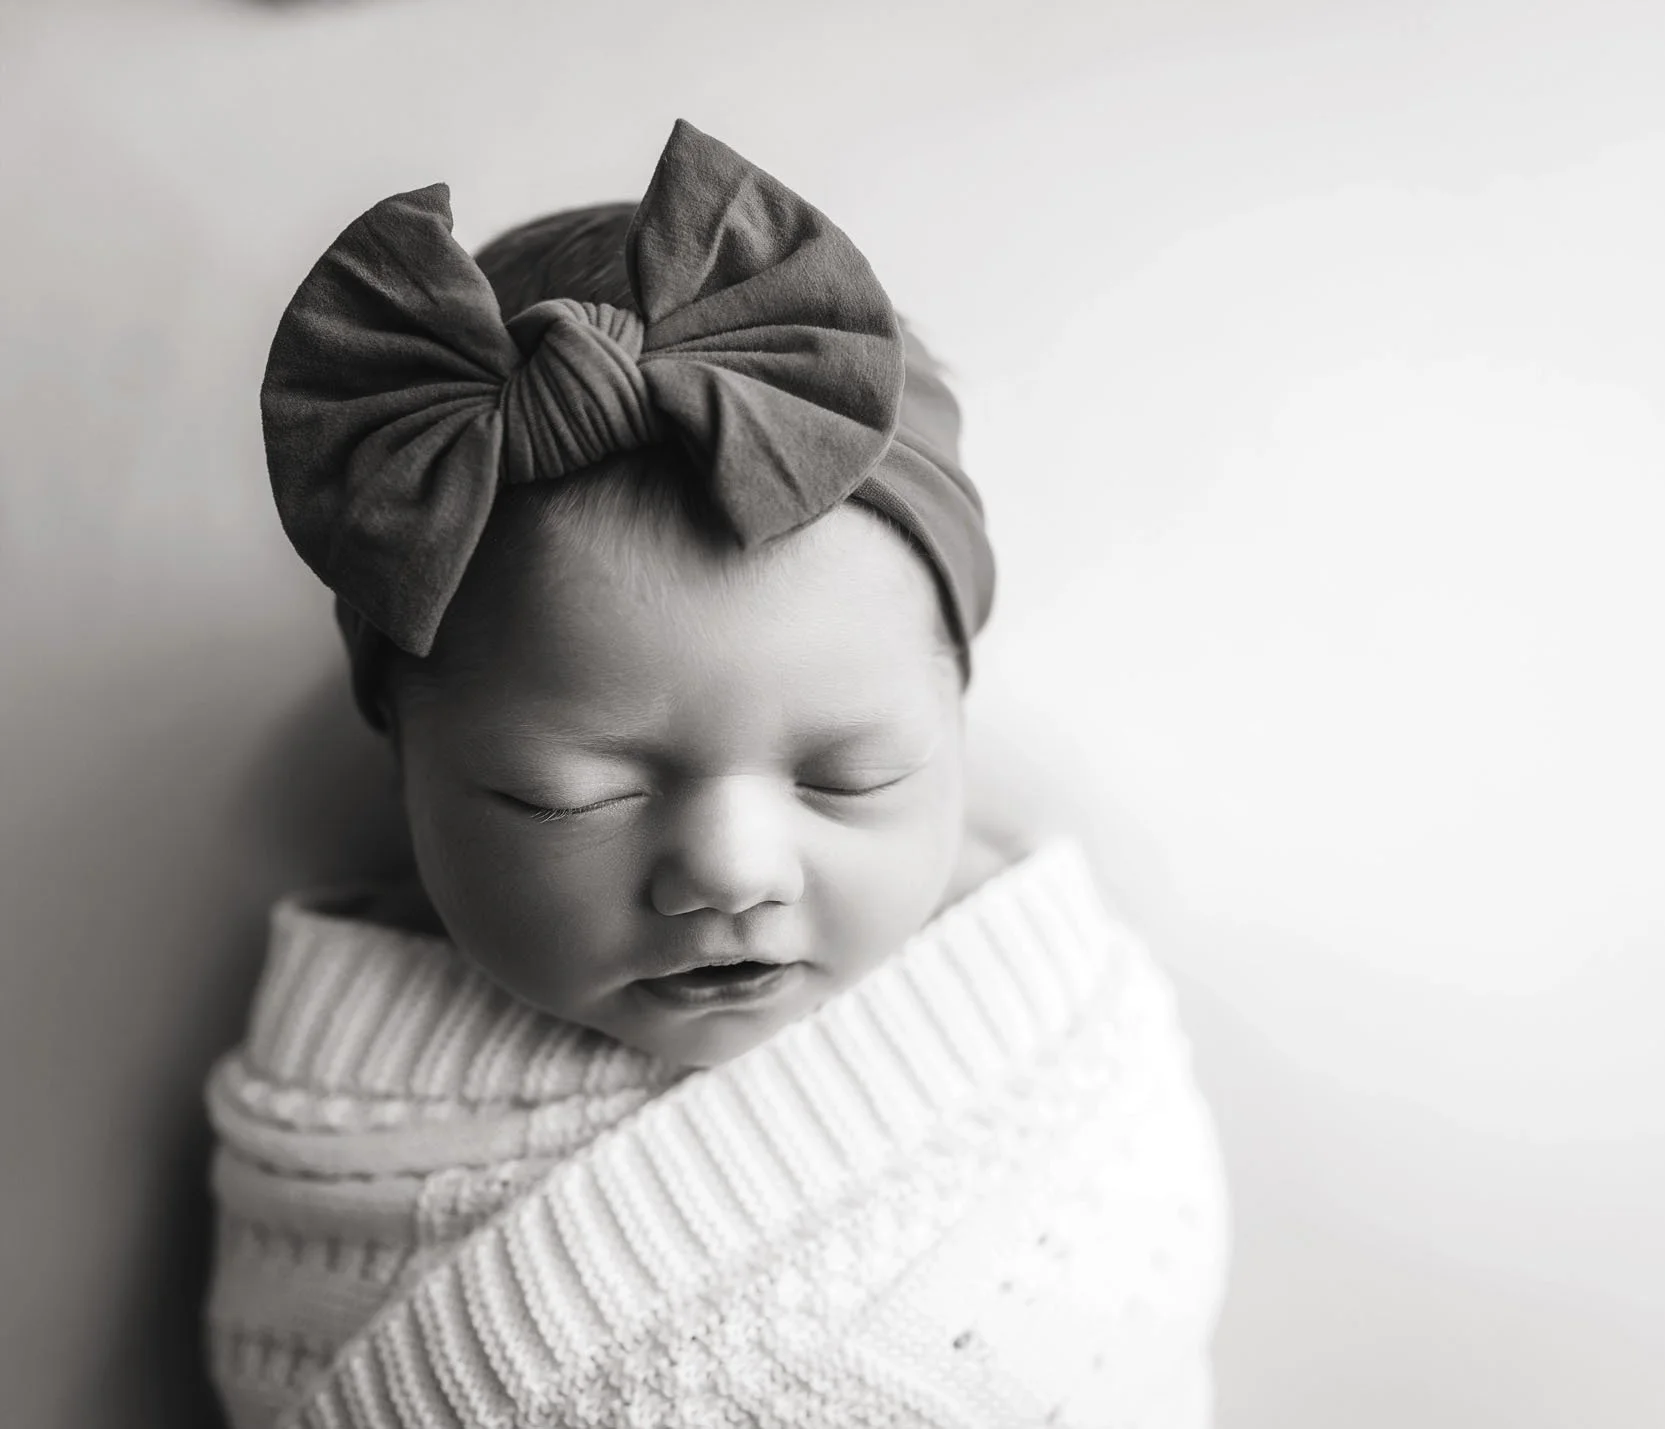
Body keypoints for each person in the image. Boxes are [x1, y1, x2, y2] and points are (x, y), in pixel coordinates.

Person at [203, 119, 1228, 1429]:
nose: (732, 871)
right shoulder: (335, 1139)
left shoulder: (1061, 1043)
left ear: (954, 722)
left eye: (852, 778)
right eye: (576, 796)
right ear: (405, 758)